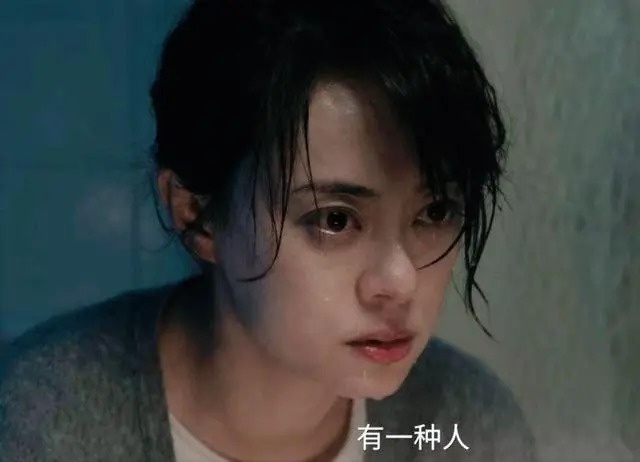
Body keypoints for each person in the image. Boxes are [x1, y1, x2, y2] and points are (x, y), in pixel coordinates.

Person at [0, 0, 537, 460]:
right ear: (197, 216)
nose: (401, 281)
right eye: (334, 219)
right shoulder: (49, 421)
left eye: (436, 212)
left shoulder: (466, 422)